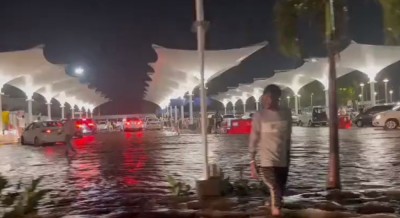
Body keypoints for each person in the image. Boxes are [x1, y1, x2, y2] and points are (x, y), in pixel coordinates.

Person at [249, 84, 292, 217]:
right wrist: (252, 162)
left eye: (271, 98)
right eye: (266, 97)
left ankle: (273, 205)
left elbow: (288, 137)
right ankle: (275, 211)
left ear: (278, 98)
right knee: (274, 188)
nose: (268, 101)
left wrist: (288, 155)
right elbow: (254, 139)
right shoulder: (259, 116)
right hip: (266, 161)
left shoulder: (286, 113)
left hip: (283, 160)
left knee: (279, 189)